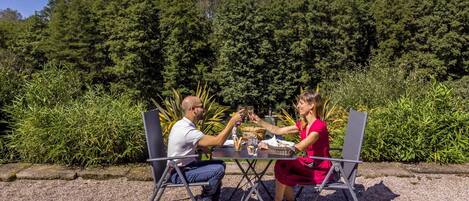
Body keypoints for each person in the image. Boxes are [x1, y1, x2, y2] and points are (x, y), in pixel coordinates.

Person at [249, 91, 332, 201]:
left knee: (283, 164)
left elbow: (297, 148)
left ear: (312, 105)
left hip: (319, 169)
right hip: (310, 163)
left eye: (301, 103)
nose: (298, 106)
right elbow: (278, 130)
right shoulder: (304, 124)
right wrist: (259, 121)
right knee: (283, 164)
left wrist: (270, 148)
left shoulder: (319, 127)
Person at [167, 96, 244, 201]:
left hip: (183, 167)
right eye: (201, 106)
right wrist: (231, 122)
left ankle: (211, 198)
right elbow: (218, 141)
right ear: (193, 109)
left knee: (220, 164)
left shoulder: (182, 124)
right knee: (218, 169)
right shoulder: (187, 130)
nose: (204, 109)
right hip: (178, 173)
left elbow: (193, 143)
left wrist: (206, 149)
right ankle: (206, 198)